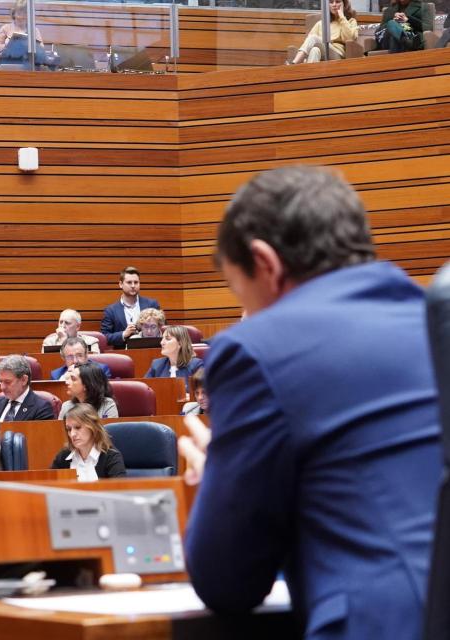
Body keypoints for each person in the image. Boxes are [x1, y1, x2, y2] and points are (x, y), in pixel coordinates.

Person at [177, 166, 441, 640]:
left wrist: (219, 469)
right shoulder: (430, 317)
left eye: (241, 293)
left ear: (265, 263)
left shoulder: (255, 351)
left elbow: (227, 581)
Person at [50, 403, 126, 481]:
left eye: (78, 427)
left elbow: (120, 490)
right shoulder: (63, 457)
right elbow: (48, 486)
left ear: (92, 427)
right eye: (69, 429)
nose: (72, 434)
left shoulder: (111, 456)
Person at [101, 266, 162, 349]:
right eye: (129, 282)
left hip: (150, 350)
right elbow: (104, 338)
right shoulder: (111, 310)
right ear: (120, 284)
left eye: (136, 282)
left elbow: (162, 328)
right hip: (123, 355)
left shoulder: (151, 304)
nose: (133, 286)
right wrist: (123, 334)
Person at [0, 355, 56, 421]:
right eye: (1, 381)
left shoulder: (42, 408)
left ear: (24, 380)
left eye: (7, 382)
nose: (2, 387)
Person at [287, 0, 357, 64]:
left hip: (337, 54)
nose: (334, 4)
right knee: (314, 50)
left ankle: (294, 64)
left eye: (338, 1)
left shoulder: (351, 21)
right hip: (322, 51)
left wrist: (341, 17)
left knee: (313, 38)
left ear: (344, 4)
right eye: (331, 2)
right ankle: (311, 76)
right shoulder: (321, 23)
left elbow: (349, 39)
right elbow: (309, 43)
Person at [144, 325, 204, 394]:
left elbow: (202, 393)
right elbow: (145, 391)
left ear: (180, 343)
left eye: (168, 339)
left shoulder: (196, 365)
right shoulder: (157, 365)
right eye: (162, 339)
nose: (162, 342)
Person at [0, 1, 49, 68]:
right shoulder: (5, 28)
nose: (21, 17)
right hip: (7, 62)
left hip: (28, 63)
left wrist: (31, 46)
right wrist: (8, 45)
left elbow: (42, 51)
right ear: (14, 13)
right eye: (19, 13)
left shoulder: (34, 30)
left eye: (25, 13)